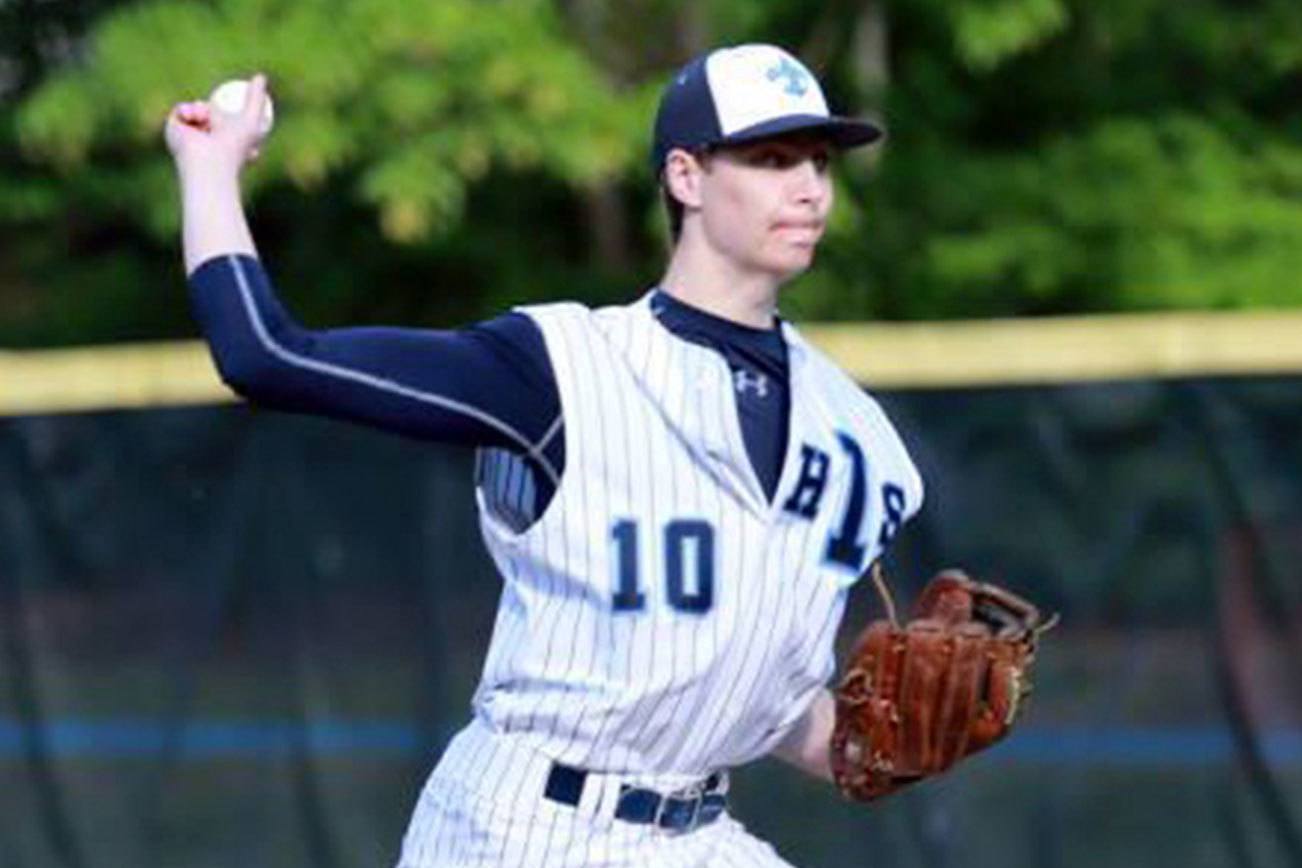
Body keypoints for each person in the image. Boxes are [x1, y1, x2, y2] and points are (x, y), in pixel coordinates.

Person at [166, 42, 923, 868]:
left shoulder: (853, 435)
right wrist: (210, 172)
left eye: (818, 160)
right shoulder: (557, 367)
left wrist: (879, 744)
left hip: (697, 836)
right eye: (771, 158)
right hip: (526, 829)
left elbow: (773, 708)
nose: (809, 187)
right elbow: (267, 356)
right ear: (686, 177)